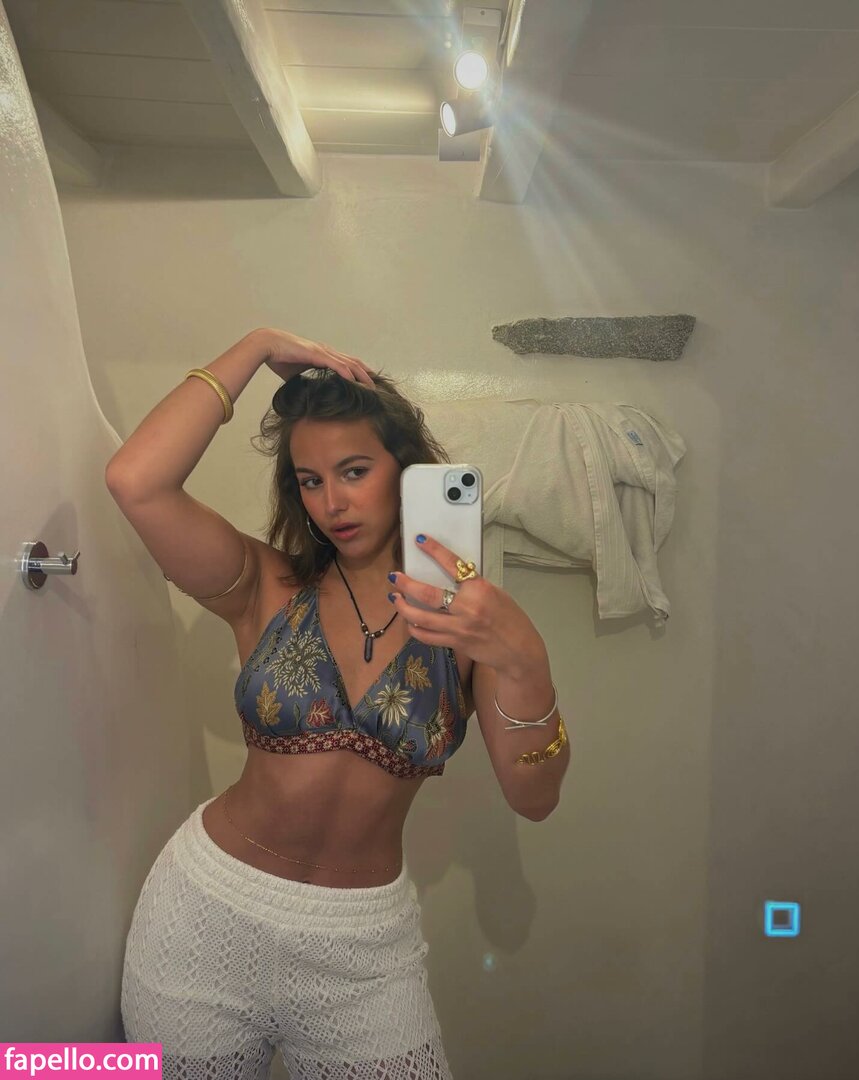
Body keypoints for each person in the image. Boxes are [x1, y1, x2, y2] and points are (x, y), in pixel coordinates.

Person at [106, 328, 570, 1080]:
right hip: (206, 916)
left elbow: (536, 797)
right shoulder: (266, 586)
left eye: (354, 471)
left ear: (406, 472)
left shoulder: (467, 629)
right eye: (310, 481)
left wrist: (524, 657)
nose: (332, 502)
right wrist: (255, 347)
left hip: (361, 949)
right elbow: (136, 481)